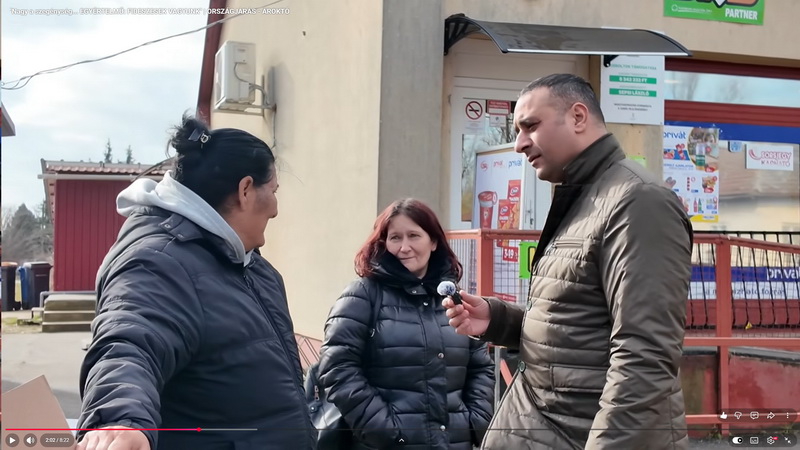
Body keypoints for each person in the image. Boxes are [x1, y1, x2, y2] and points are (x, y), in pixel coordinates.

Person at [444, 74, 693, 449]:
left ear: (578, 117)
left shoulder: (639, 201)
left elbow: (645, 358)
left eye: (530, 126)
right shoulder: (584, 197)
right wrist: (499, 320)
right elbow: (579, 328)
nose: (519, 144)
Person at [77, 115, 316, 450]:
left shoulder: (253, 268)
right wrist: (120, 421)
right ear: (246, 190)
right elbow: (129, 342)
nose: (275, 209)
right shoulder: (160, 262)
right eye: (273, 191)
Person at [318, 198, 495, 449]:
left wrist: (476, 421)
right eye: (395, 238)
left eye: (414, 236)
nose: (404, 247)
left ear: (433, 242)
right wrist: (388, 432)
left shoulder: (453, 299)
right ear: (384, 243)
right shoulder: (363, 296)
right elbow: (337, 368)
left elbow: (481, 367)